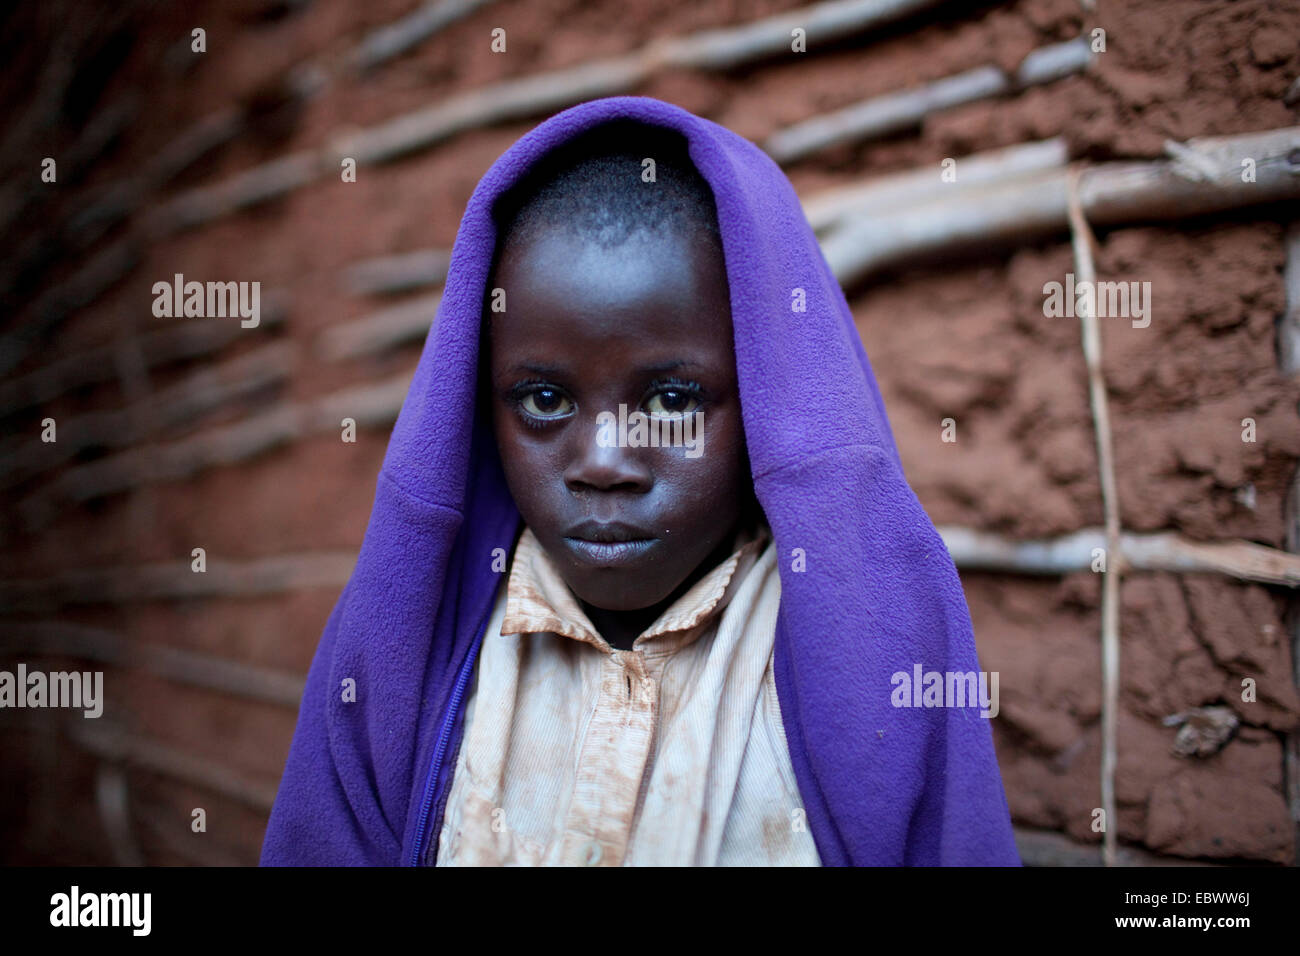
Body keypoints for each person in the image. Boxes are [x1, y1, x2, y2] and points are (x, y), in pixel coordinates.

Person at [260, 96, 1021, 866]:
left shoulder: (872, 642)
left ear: (764, 400)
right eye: (545, 400)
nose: (603, 464)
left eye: (672, 401)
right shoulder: (402, 653)